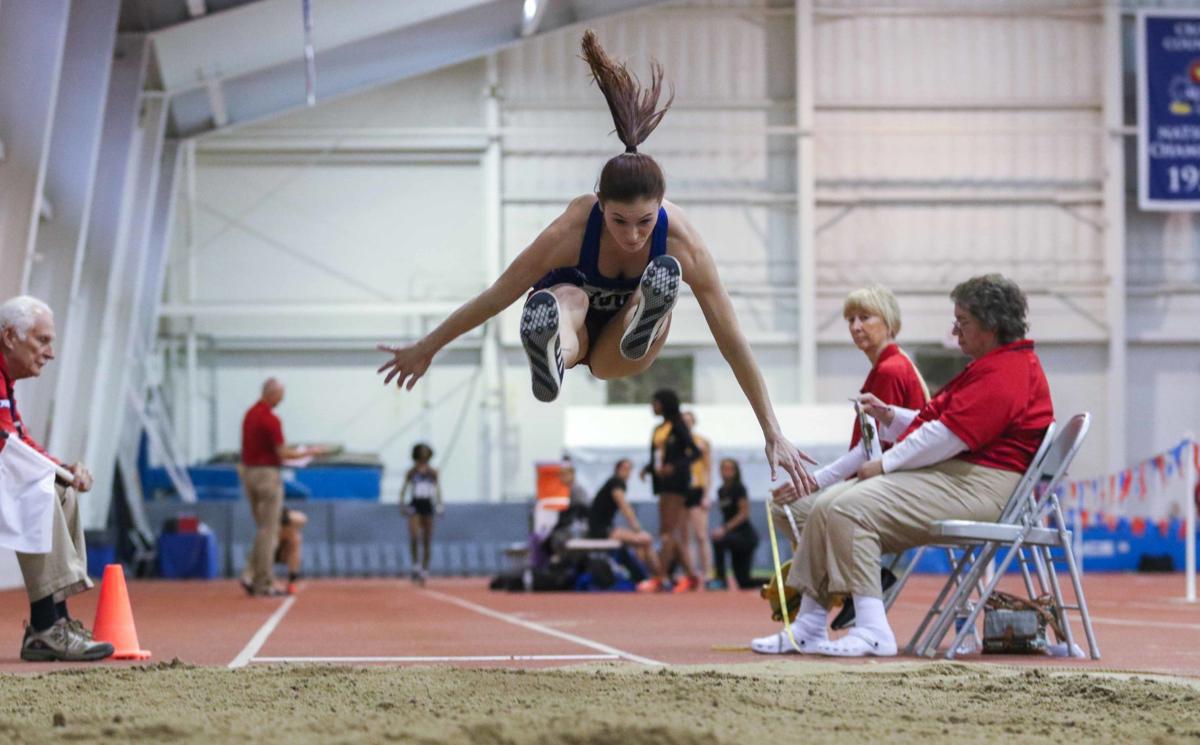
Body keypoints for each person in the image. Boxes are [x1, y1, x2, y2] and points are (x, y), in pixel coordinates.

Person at [377, 29, 816, 499]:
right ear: (599, 204)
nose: (632, 235)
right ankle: (551, 353)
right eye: (618, 221)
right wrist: (429, 346)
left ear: (662, 205)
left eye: (645, 222)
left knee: (651, 308)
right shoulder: (572, 229)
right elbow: (497, 295)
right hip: (579, 330)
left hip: (619, 351)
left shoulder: (682, 240)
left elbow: (731, 339)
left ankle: (646, 314)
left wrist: (771, 428)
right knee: (563, 298)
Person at [756, 274, 1053, 657]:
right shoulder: (994, 366)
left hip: (979, 485)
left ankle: (873, 628)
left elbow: (947, 436)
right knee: (828, 507)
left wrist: (884, 464)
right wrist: (891, 416)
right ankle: (811, 624)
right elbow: (934, 425)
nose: (954, 330)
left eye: (962, 322)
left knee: (847, 507)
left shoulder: (1005, 372)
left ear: (990, 324)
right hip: (961, 475)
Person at [0, 295, 113, 661]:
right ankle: (47, 626)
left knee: (59, 490)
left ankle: (51, 625)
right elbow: (8, 444)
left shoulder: (5, 383)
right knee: (38, 492)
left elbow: (16, 438)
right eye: (42, 340)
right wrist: (56, 470)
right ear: (9, 337)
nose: (50, 353)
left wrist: (64, 469)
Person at [240, 378, 325, 597]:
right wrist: (310, 452)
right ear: (271, 393)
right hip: (267, 475)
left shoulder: (249, 415)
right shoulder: (270, 419)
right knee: (271, 530)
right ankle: (265, 582)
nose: (282, 400)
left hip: (249, 474)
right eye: (280, 395)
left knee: (263, 529)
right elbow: (283, 453)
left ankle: (250, 574)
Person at [637, 389, 698, 593]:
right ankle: (691, 576)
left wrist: (675, 466)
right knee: (670, 532)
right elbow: (657, 455)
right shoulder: (658, 429)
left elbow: (694, 452)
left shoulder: (678, 425)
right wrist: (647, 468)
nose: (652, 407)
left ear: (664, 404)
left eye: (655, 403)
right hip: (662, 484)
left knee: (666, 532)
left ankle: (660, 576)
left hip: (677, 484)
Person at [587, 459, 663, 582]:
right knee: (646, 539)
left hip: (603, 528)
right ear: (617, 469)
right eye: (624, 469)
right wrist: (637, 528)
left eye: (629, 469)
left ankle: (644, 577)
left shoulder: (614, 483)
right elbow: (624, 505)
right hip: (601, 530)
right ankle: (659, 578)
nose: (628, 472)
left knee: (640, 544)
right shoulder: (616, 482)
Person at [710, 458, 759, 590]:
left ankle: (720, 580)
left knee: (719, 541)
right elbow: (726, 516)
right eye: (723, 469)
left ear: (735, 471)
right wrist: (722, 529)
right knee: (743, 582)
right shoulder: (720, 491)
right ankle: (721, 579)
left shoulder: (739, 488)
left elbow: (744, 514)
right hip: (732, 536)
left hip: (745, 537)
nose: (726, 472)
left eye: (730, 469)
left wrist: (724, 529)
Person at [681, 411, 715, 589]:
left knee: (701, 534)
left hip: (697, 489)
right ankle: (691, 573)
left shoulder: (702, 442)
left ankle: (707, 572)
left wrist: (706, 495)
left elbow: (709, 469)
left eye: (689, 421)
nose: (686, 424)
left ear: (693, 422)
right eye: (683, 421)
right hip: (681, 491)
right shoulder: (676, 442)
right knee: (685, 536)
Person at [400, 443, 441, 585]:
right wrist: (402, 505)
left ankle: (425, 569)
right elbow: (404, 490)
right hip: (415, 504)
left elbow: (437, 490)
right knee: (414, 536)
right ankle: (415, 565)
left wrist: (440, 505)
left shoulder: (433, 472)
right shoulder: (412, 472)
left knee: (427, 539)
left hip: (428, 505)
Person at [275, 507, 308, 595]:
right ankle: (266, 581)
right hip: (274, 547)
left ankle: (292, 582)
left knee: (296, 539)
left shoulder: (293, 520)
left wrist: (286, 518)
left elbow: (302, 518)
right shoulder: (272, 530)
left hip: (286, 547)